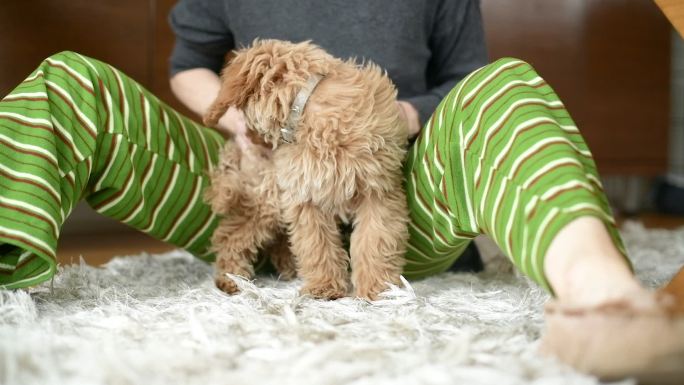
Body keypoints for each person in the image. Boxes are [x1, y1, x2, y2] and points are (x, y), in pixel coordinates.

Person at [0, 0, 681, 379]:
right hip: (253, 178)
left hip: (396, 190)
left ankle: (601, 300)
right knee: (69, 83)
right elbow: (188, 68)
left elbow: (463, 82)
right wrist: (243, 123)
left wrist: (403, 116)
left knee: (507, 85)